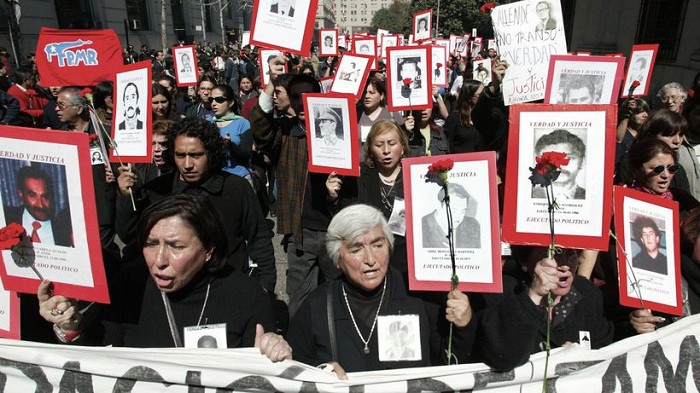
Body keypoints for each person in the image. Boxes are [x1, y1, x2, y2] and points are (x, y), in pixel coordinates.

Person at [37, 194, 290, 360]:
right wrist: (70, 327)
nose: (159, 261)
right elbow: (99, 358)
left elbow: (261, 376)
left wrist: (275, 355)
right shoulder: (129, 285)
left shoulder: (246, 296)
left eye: (176, 246)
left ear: (208, 250)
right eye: (150, 243)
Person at [286, 204, 474, 375]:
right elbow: (296, 369)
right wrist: (321, 373)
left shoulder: (416, 295)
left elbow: (448, 362)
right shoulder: (317, 306)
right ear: (337, 259)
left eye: (378, 245)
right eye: (356, 249)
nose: (370, 259)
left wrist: (462, 327)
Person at [115, 117, 276, 293]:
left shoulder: (236, 188)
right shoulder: (159, 190)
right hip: (176, 291)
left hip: (227, 289)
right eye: (180, 155)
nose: (188, 164)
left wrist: (265, 285)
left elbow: (259, 238)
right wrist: (127, 197)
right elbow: (129, 235)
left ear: (211, 153)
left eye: (196, 155)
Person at [251, 59, 341, 316]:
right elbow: (260, 126)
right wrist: (271, 83)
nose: (302, 103)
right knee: (300, 299)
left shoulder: (337, 129)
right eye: (296, 97)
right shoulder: (286, 133)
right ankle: (302, 348)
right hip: (301, 231)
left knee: (337, 297)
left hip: (334, 228)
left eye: (308, 96)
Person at [476, 247, 613, 370]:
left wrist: (582, 357)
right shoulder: (502, 292)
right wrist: (534, 295)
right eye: (553, 254)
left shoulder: (586, 293)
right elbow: (504, 358)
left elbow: (606, 354)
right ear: (524, 259)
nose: (564, 265)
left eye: (571, 253)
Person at [3, 166, 72, 247]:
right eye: (32, 195)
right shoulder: (6, 218)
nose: (41, 205)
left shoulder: (65, 228)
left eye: (45, 196)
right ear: (21, 195)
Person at [209, 84, 254, 183]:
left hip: (240, 177)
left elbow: (247, 155)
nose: (213, 103)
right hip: (216, 179)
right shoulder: (208, 124)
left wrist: (231, 146)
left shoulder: (242, 123)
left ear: (231, 102)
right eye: (211, 100)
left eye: (219, 99)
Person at [531, 129, 586, 200]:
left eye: (569, 158)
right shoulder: (526, 197)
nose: (559, 166)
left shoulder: (592, 198)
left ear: (583, 162)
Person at [422, 183, 480, 248]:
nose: (458, 217)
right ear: (439, 206)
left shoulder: (473, 226)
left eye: (463, 211)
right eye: (453, 211)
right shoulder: (421, 227)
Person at [445, 80, 484, 153]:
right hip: (460, 162)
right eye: (480, 95)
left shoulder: (483, 117)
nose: (483, 97)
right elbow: (447, 143)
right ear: (469, 96)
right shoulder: (455, 117)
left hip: (480, 162)